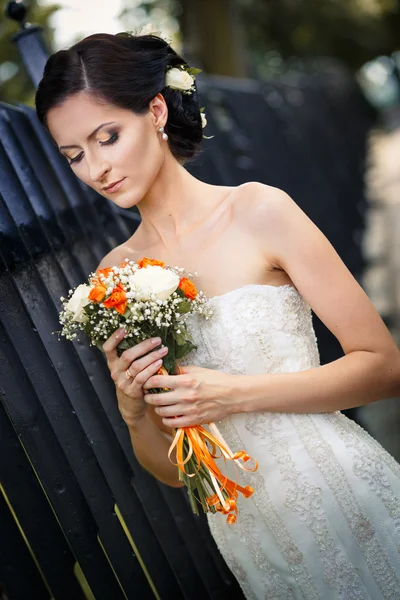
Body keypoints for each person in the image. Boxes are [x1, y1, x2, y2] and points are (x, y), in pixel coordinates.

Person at [35, 31, 400, 600]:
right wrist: (134, 412)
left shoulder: (259, 210)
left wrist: (234, 396)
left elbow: (383, 367)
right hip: (249, 536)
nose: (97, 169)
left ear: (155, 110)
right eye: (75, 155)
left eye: (107, 137)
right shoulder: (116, 276)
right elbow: (175, 471)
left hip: (339, 493)